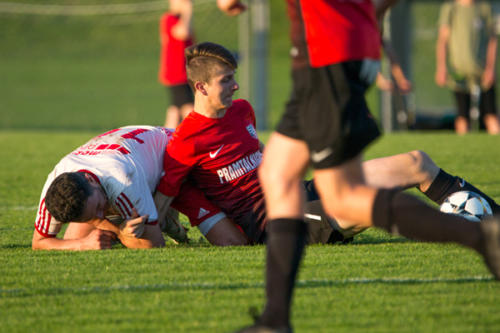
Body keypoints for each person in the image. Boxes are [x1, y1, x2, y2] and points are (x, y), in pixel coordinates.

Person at [215, 1, 500, 332]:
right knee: (278, 172)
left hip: (326, 58)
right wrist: (372, 16)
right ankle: (274, 319)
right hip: (344, 51)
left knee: (342, 195)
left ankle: (481, 236)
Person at [32, 125, 227, 250]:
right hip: (135, 154)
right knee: (77, 239)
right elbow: (39, 242)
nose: (101, 217)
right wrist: (82, 244)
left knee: (230, 241)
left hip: (176, 157)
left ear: (89, 180)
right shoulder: (57, 186)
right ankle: (163, 218)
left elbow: (154, 245)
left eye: (100, 207)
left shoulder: (121, 180)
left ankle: (164, 215)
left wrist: (119, 232)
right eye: (93, 214)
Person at [435, 0, 500, 135]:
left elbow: (492, 41)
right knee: (462, 117)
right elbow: (442, 40)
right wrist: (441, 68)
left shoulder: (484, 8)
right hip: (459, 71)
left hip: (481, 72)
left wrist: (490, 68)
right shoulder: (451, 9)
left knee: (491, 115)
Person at [158, 0, 195, 128]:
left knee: (175, 110)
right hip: (177, 73)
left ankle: (165, 142)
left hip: (183, 72)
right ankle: (200, 134)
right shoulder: (169, 18)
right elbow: (183, 33)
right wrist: (188, 11)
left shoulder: (181, 20)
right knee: (188, 107)